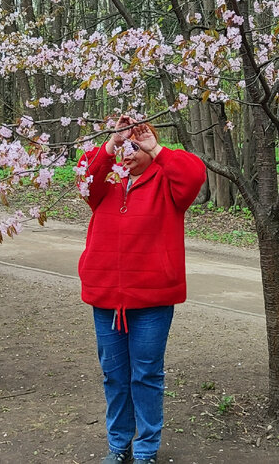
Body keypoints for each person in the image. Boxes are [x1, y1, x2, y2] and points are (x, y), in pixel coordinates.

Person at [77, 117, 206, 464]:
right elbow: (83, 178)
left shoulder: (167, 182)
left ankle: (146, 448)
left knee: (146, 374)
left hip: (152, 299)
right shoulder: (106, 180)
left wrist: (156, 148)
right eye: (125, 146)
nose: (129, 152)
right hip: (106, 296)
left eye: (137, 146)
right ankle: (118, 445)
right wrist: (111, 143)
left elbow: (194, 175)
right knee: (114, 376)